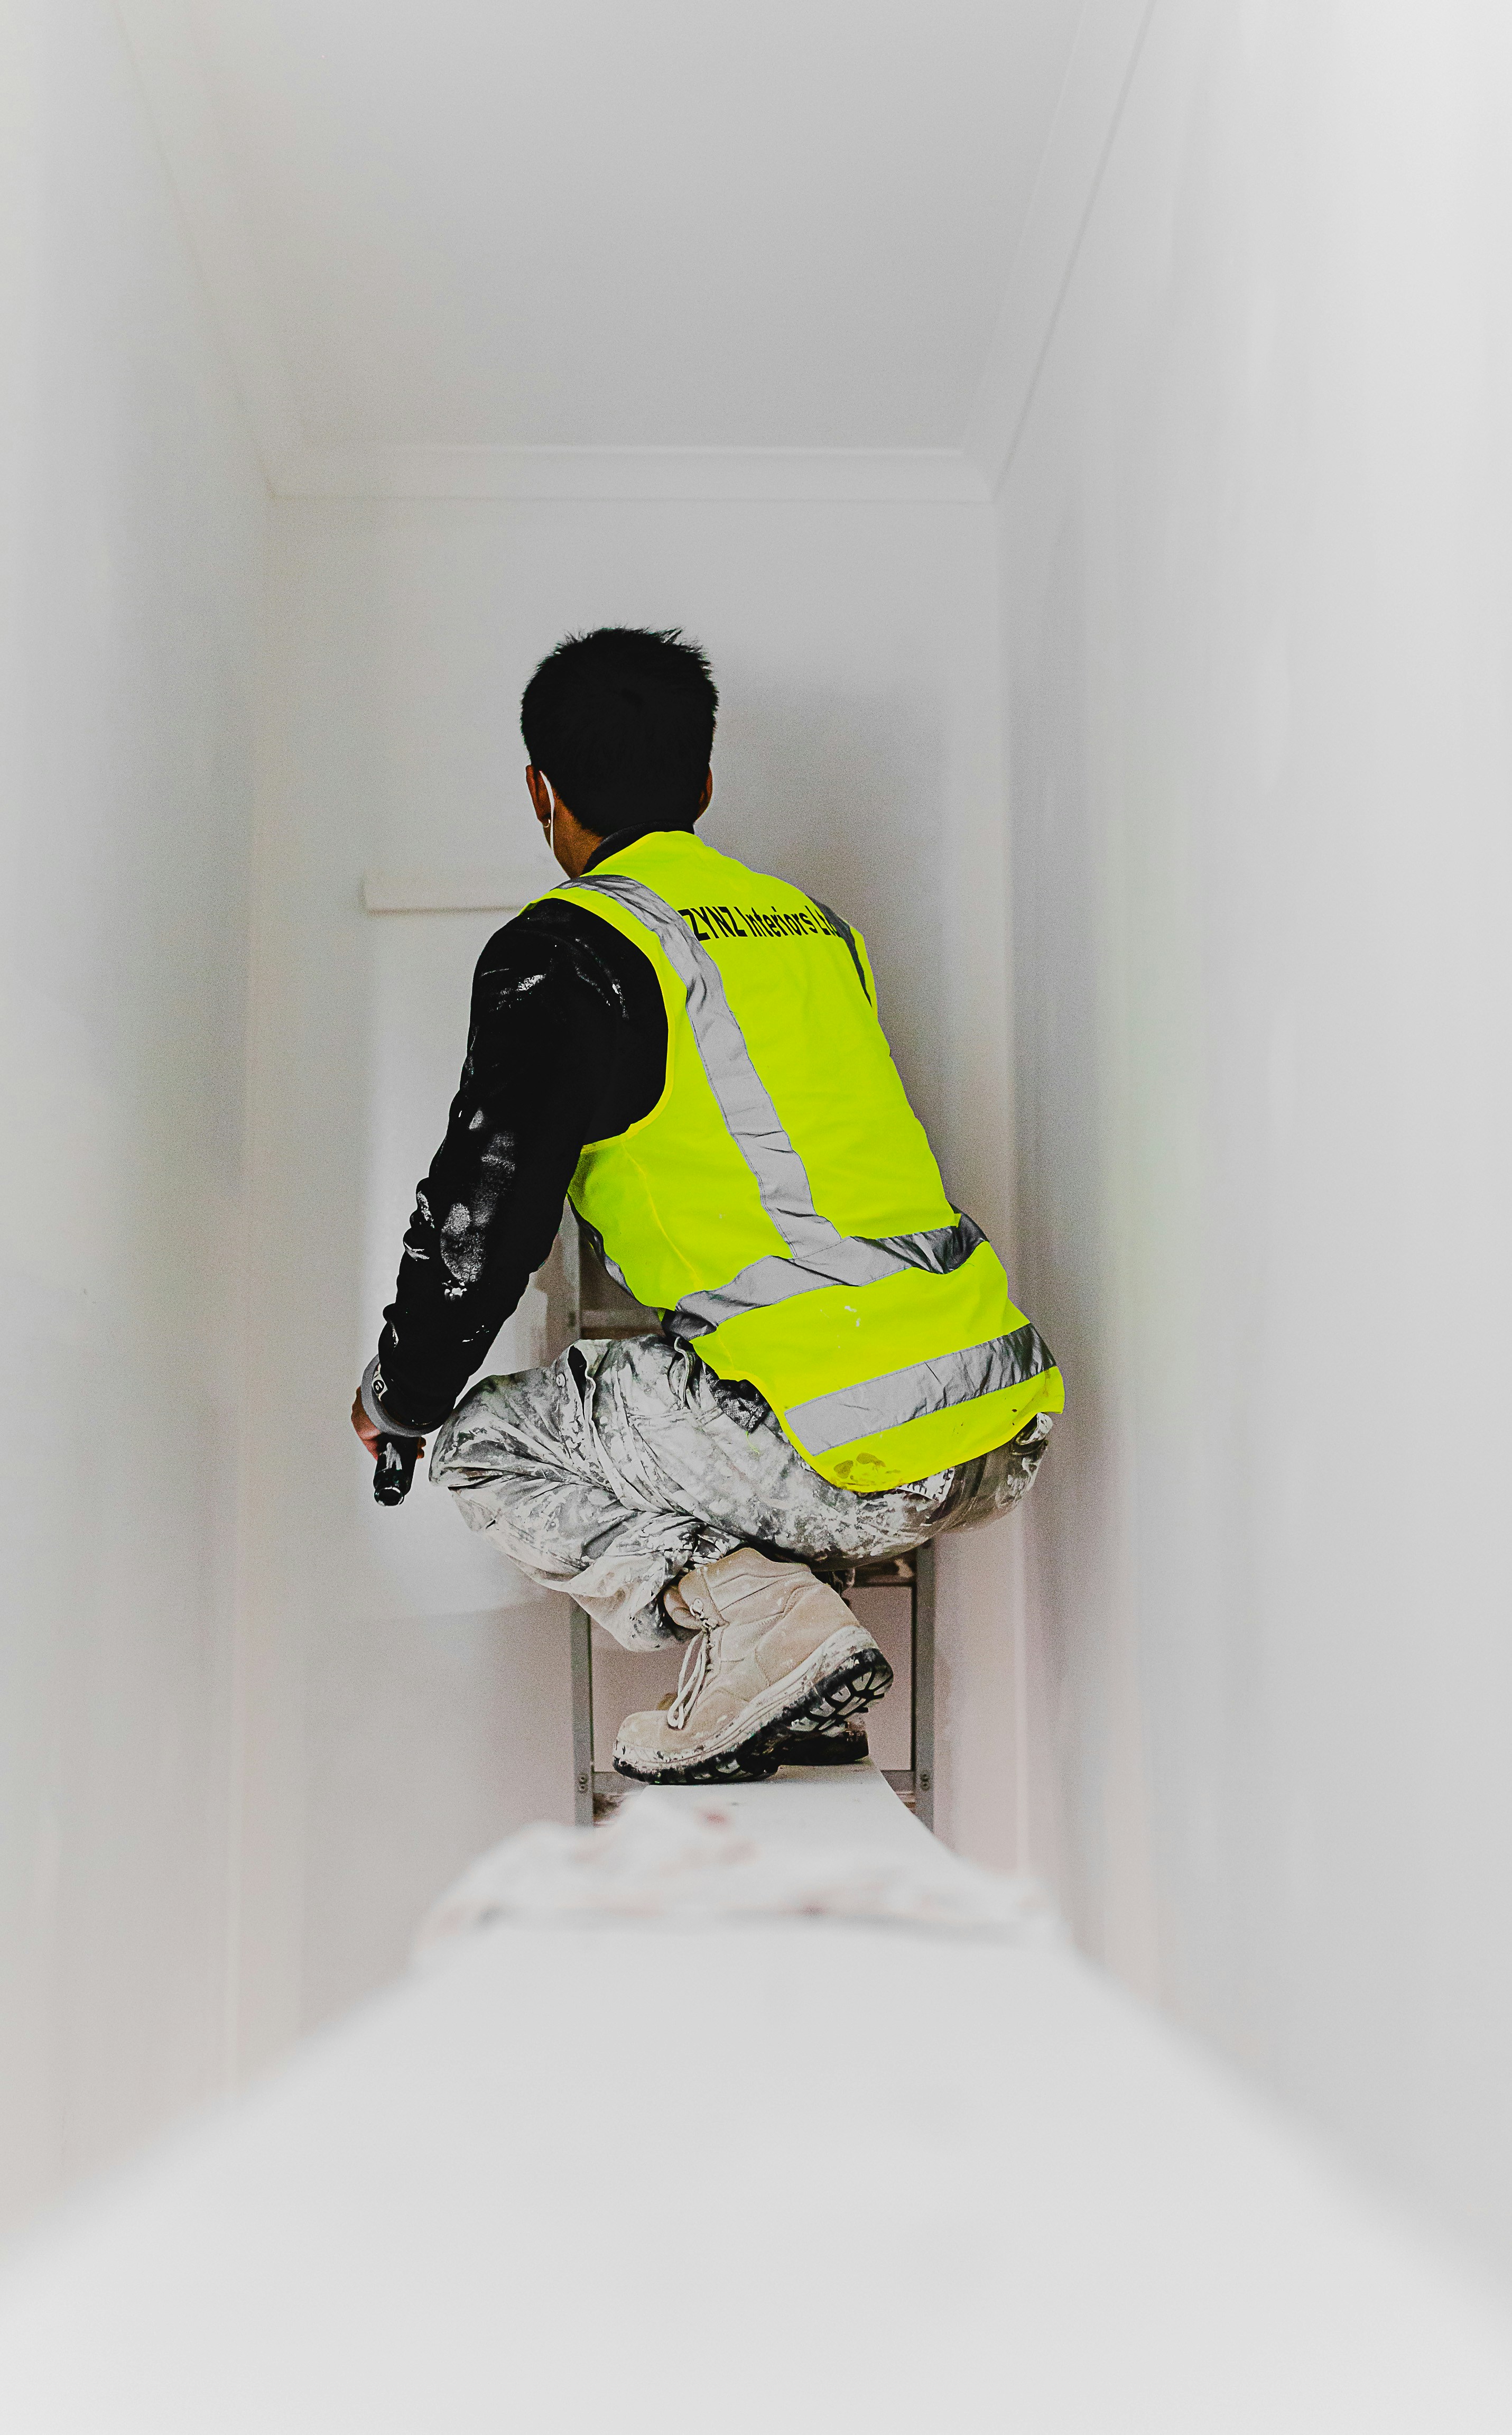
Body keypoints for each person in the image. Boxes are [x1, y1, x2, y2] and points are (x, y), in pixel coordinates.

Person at [351, 627, 1062, 1785]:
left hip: (840, 1435)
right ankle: (792, 1681)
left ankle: (764, 1621)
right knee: (721, 1379)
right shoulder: (812, 928)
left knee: (488, 1446)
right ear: (705, 782)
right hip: (992, 1417)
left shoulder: (571, 949)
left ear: (541, 788)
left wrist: (402, 1394)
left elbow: (485, 1214)